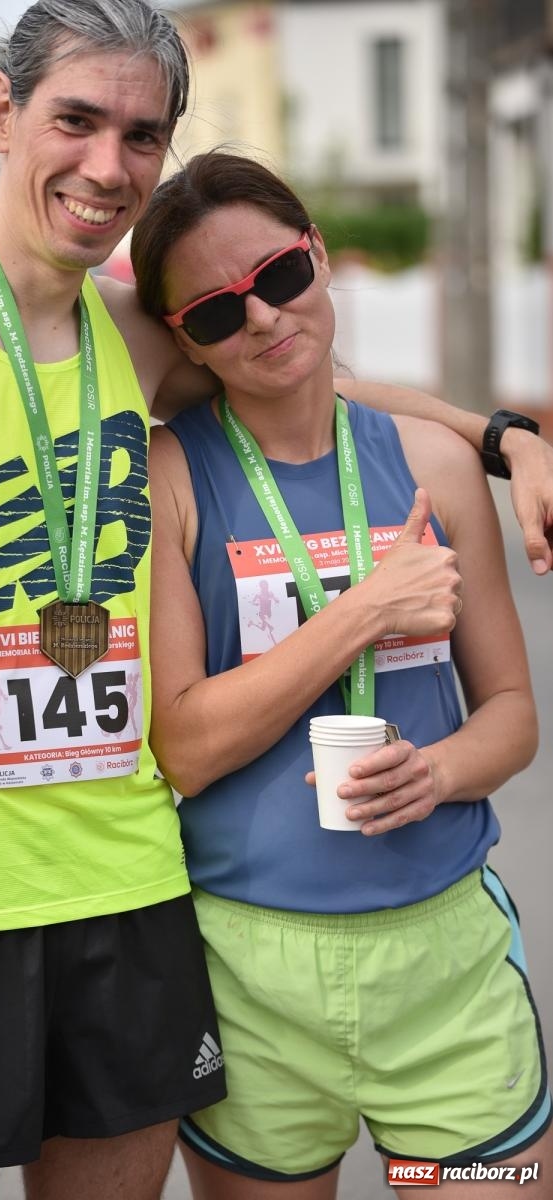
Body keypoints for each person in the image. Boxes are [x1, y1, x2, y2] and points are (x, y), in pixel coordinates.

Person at [0, 2, 552, 1195]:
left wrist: (500, 438)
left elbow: (305, 377)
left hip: (132, 887)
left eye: (141, 135)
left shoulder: (138, 331)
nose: (107, 166)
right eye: (75, 120)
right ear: (1, 111)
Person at [131, 150, 553, 1199]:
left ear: (317, 253)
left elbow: (511, 715)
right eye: (216, 312)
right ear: (182, 338)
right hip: (247, 967)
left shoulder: (434, 464)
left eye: (278, 276)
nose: (263, 317)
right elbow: (184, 747)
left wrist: (439, 773)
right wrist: (366, 609)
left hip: (443, 961)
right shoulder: (169, 474)